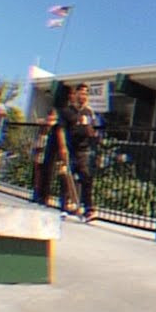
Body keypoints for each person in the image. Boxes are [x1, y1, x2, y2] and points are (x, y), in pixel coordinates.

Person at [57, 83, 99, 220]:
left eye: (86, 94)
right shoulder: (67, 111)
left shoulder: (89, 112)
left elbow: (93, 130)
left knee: (86, 177)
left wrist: (91, 131)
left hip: (84, 149)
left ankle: (88, 208)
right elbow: (61, 130)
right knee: (67, 177)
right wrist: (63, 147)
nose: (83, 96)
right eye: (80, 93)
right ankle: (65, 206)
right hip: (70, 148)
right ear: (75, 95)